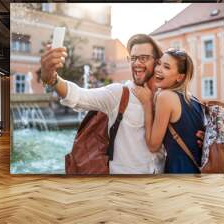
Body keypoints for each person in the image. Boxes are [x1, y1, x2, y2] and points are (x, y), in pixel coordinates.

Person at [40, 34, 203, 174]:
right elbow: (79, 96)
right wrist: (52, 78)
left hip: (159, 181)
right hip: (123, 185)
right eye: (133, 58)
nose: (137, 63)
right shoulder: (119, 93)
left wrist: (201, 138)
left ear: (157, 61)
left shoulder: (167, 97)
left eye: (144, 58)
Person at [132, 48, 204, 173]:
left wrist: (147, 103)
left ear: (180, 77)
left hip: (179, 171)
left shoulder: (166, 97)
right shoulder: (193, 99)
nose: (158, 69)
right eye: (159, 64)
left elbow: (153, 146)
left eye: (166, 67)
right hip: (195, 169)